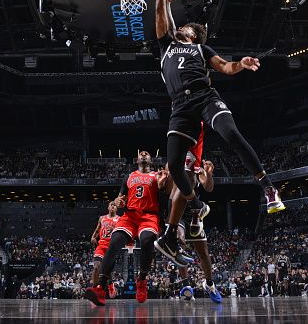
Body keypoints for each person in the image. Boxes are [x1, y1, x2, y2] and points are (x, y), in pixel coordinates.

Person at [154, 0, 285, 264]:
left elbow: (225, 67)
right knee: (174, 165)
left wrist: (241, 63)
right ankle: (196, 205)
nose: (180, 26)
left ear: (192, 34)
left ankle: (268, 187)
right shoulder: (166, 47)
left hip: (204, 97)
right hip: (179, 107)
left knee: (232, 134)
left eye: (185, 26)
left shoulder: (201, 49)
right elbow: (161, 14)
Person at [84, 151, 168, 306]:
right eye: (141, 154)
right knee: (114, 242)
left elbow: (163, 198)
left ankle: (141, 280)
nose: (143, 154)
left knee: (147, 240)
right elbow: (120, 197)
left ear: (150, 160)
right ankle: (100, 288)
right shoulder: (128, 177)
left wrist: (163, 187)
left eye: (146, 154)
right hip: (129, 216)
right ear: (137, 160)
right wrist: (119, 201)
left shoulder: (158, 175)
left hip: (149, 216)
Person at [163, 123, 222, 303]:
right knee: (178, 240)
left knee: (203, 252)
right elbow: (167, 190)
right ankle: (186, 284)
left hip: (193, 211)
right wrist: (166, 179)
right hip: (176, 209)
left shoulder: (198, 165)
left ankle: (210, 284)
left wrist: (210, 174)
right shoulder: (171, 161)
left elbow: (209, 188)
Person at [90, 201, 120, 298]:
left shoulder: (119, 219)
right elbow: (97, 229)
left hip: (111, 246)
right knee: (96, 267)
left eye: (114, 205)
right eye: (111, 205)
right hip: (101, 245)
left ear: (116, 208)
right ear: (108, 207)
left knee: (106, 269)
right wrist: (93, 236)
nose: (112, 206)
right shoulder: (102, 218)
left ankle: (110, 285)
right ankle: (95, 290)